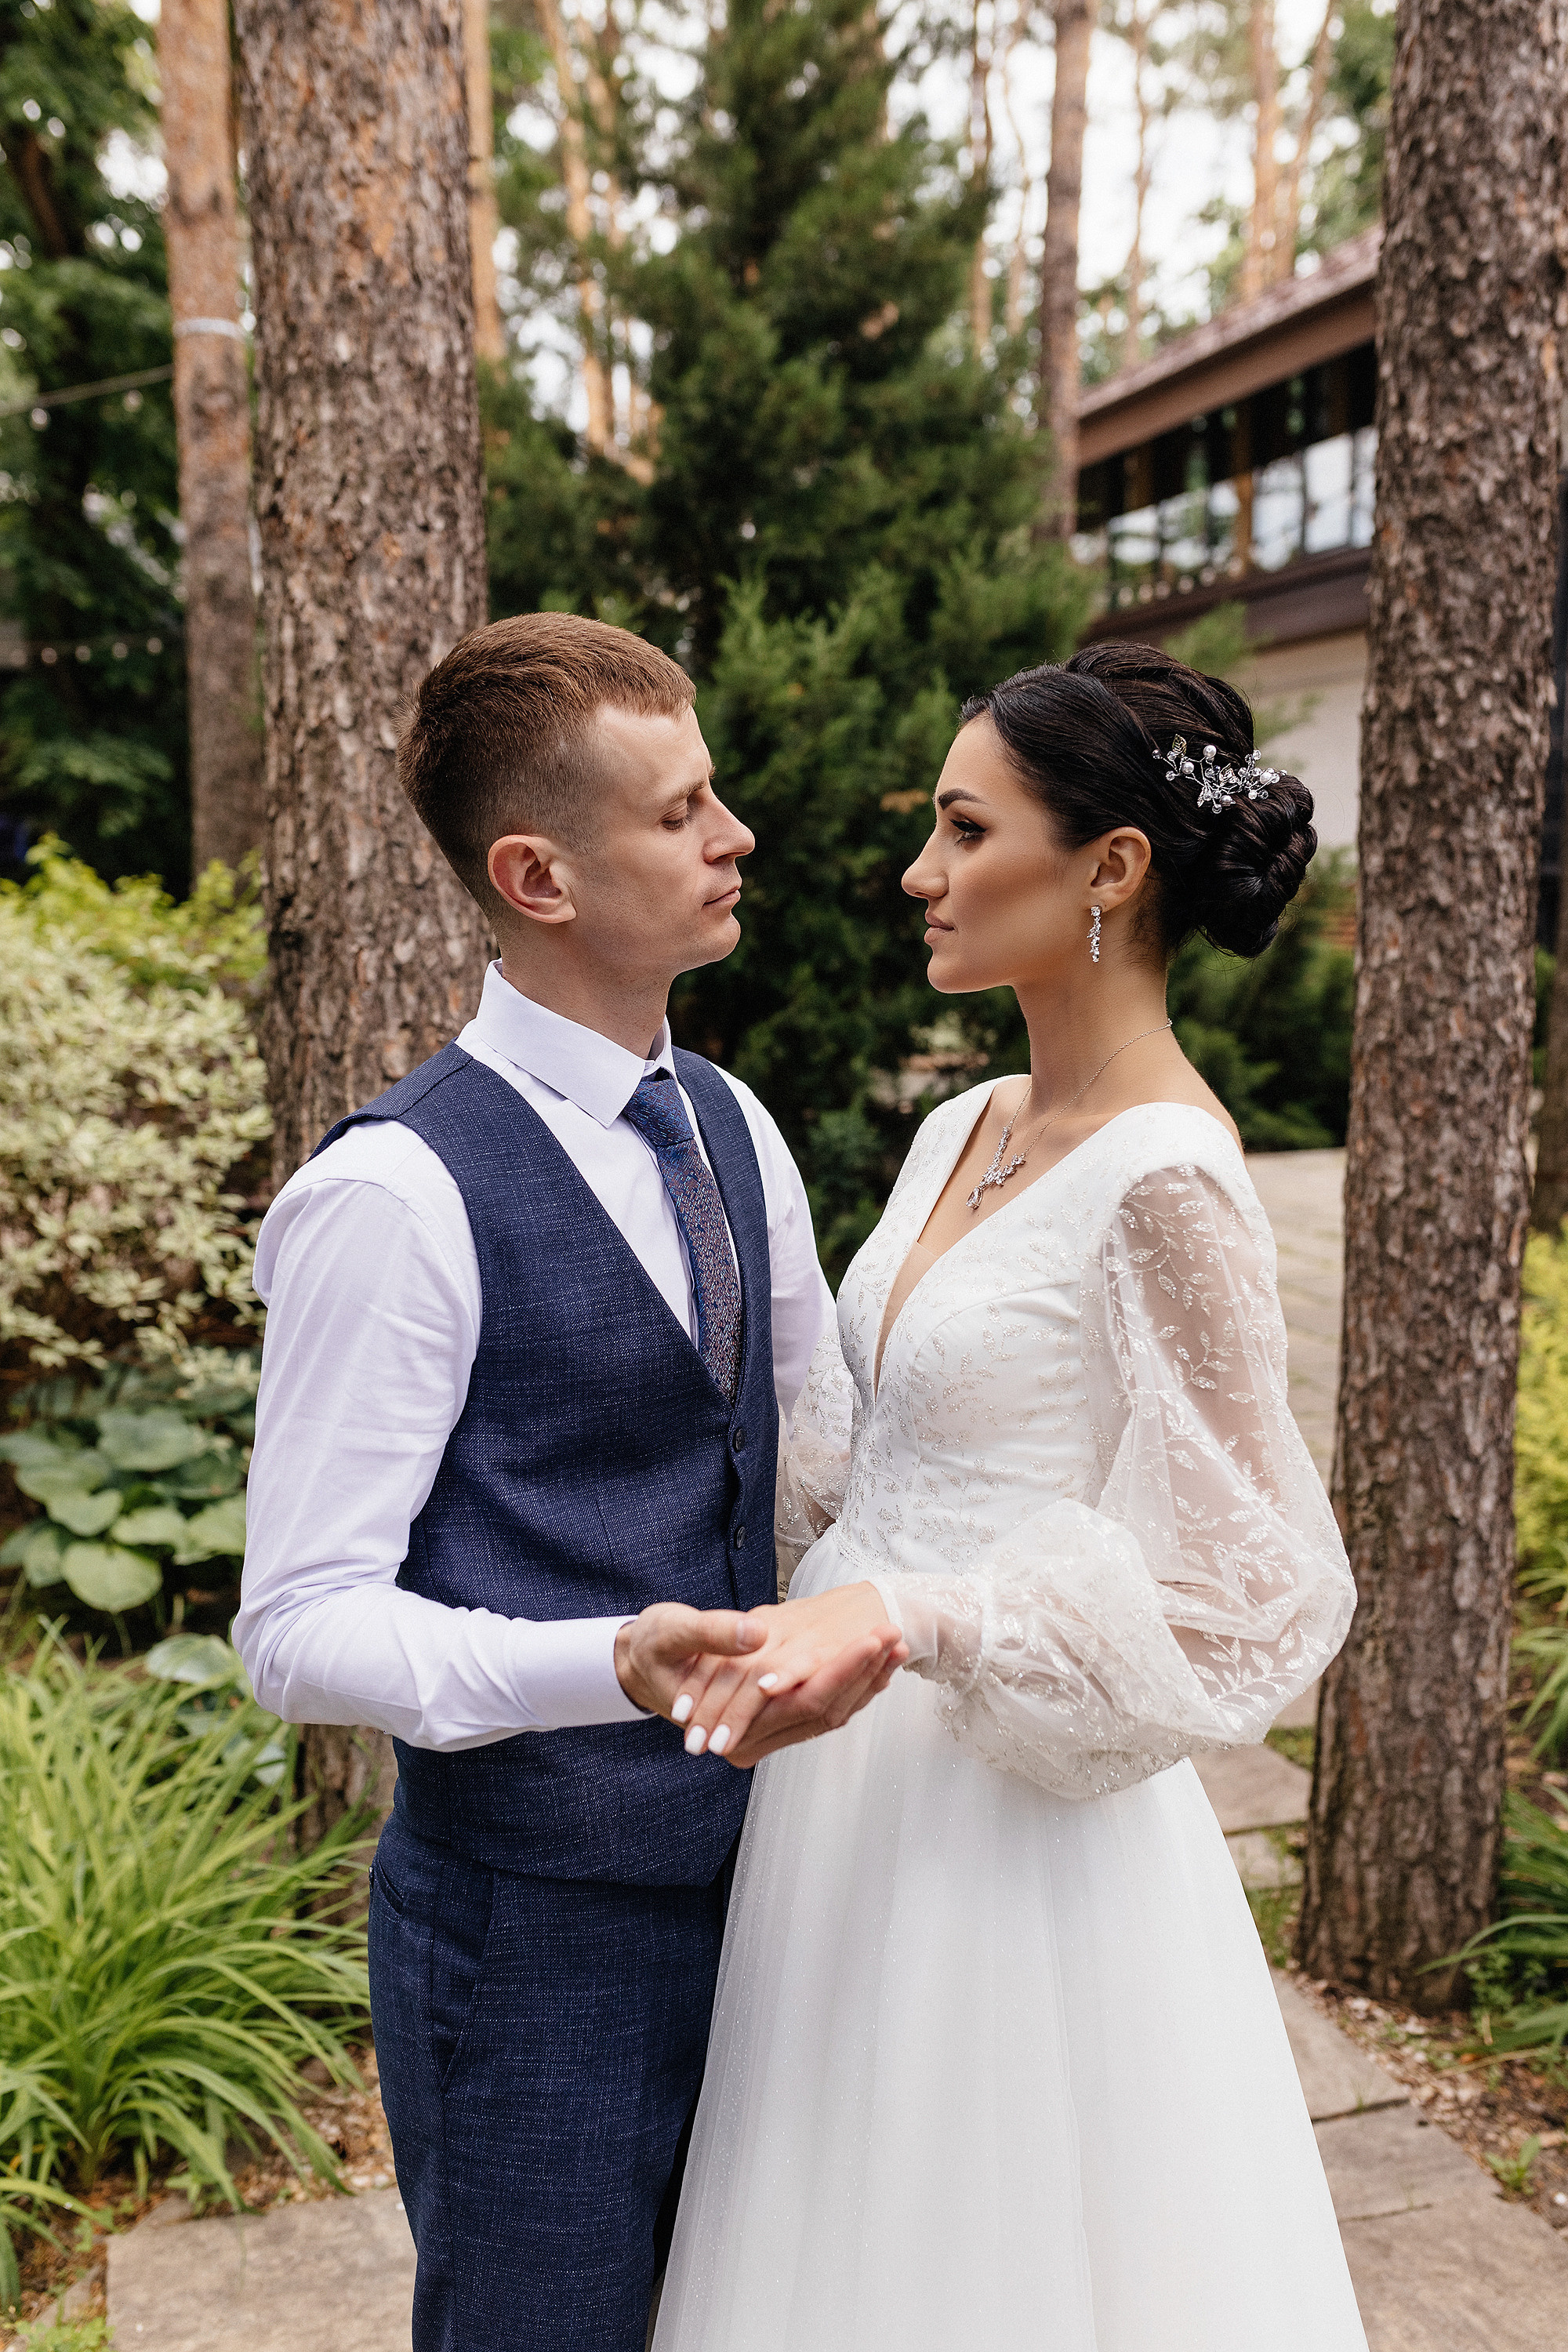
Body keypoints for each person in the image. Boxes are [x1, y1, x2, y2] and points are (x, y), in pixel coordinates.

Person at [648, 643, 1368, 2351]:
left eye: (966, 831)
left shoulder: (1173, 1180)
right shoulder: (963, 1123)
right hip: (839, 1805)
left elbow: (1249, 1589)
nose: (920, 874)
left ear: (1110, 868)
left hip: (1006, 1836)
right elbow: (849, 1452)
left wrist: (918, 1616)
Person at [235, 613, 906, 2352]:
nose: (733, 833)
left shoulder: (733, 1125)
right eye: (681, 809)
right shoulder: (393, 1198)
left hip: (777, 1896)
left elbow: (813, 1460)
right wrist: (597, 1662)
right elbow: (297, 1628)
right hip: (531, 1951)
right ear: (536, 873)